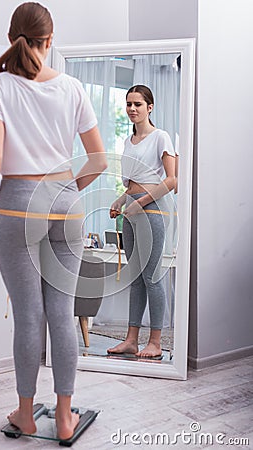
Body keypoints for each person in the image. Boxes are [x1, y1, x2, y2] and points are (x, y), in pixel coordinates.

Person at [0, 2, 107, 440]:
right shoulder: (71, 87)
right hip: (65, 205)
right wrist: (69, 192)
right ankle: (67, 417)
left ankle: (26, 413)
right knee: (62, 313)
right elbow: (98, 160)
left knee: (28, 316)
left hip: (16, 204)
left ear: (11, 36)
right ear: (50, 41)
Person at [107, 85, 176, 358]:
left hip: (151, 210)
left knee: (151, 276)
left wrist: (139, 203)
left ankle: (156, 343)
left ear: (150, 107)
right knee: (135, 278)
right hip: (132, 212)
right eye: (128, 104)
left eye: (138, 104)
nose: (132, 109)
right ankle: (131, 340)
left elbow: (171, 180)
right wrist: (121, 201)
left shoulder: (161, 137)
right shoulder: (127, 142)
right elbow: (133, 184)